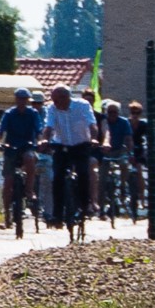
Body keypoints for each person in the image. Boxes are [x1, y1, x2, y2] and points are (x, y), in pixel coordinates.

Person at [43, 77, 101, 232]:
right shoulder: (52, 109)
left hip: (81, 145)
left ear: (66, 97)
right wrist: (44, 140)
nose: (54, 103)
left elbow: (92, 124)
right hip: (61, 145)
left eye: (57, 100)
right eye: (53, 100)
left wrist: (94, 138)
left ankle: (84, 206)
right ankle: (57, 215)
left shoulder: (82, 106)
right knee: (57, 179)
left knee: (83, 174)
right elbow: (48, 127)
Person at [0, 84, 46, 227]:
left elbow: (39, 131)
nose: (22, 101)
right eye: (19, 98)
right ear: (16, 99)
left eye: (24, 99)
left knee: (30, 158)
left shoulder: (33, 114)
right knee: (8, 183)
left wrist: (41, 141)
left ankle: (29, 190)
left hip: (27, 146)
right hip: (11, 148)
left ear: (28, 100)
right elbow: (0, 130)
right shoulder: (9, 114)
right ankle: (7, 214)